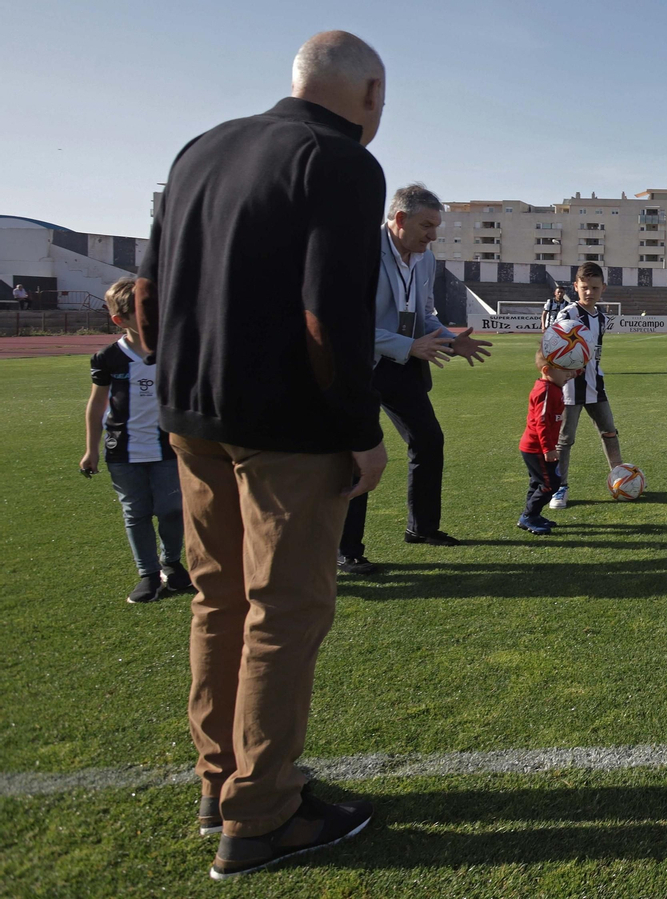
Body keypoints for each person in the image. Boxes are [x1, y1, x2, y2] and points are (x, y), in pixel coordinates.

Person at [134, 31, 389, 879]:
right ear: (370, 93)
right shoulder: (343, 161)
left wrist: (178, 387)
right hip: (286, 428)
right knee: (284, 614)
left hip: (189, 413)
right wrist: (360, 429)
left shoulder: (200, 149)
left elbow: (143, 293)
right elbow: (331, 313)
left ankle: (222, 783)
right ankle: (264, 814)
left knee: (219, 599)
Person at [337, 183, 493, 574]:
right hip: (361, 366)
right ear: (400, 219)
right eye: (427, 226)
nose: (433, 235)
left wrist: (449, 340)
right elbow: (347, 327)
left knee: (428, 439)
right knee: (359, 454)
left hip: (404, 365)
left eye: (437, 227)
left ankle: (422, 528)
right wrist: (406, 346)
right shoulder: (360, 251)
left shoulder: (425, 259)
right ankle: (346, 551)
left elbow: (425, 314)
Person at [80, 277, 190, 604]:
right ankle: (148, 574)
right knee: (137, 513)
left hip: (168, 449)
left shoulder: (173, 349)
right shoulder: (107, 358)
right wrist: (90, 450)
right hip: (123, 452)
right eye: (143, 313)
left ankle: (170, 562)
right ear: (120, 320)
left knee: (172, 509)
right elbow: (97, 405)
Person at [549, 262, 625, 509]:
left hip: (596, 385)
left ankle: (620, 479)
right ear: (576, 287)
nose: (589, 292)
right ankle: (559, 487)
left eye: (594, 287)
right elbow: (552, 344)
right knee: (565, 439)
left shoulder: (602, 318)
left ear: (603, 288)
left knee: (610, 431)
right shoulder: (567, 314)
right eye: (584, 287)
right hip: (569, 388)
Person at [517, 347, 576, 535]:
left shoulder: (553, 386)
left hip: (535, 447)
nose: (569, 375)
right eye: (564, 370)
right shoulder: (547, 391)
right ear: (546, 371)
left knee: (537, 482)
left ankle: (531, 515)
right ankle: (528, 515)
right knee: (551, 483)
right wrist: (549, 448)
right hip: (537, 448)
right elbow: (540, 422)